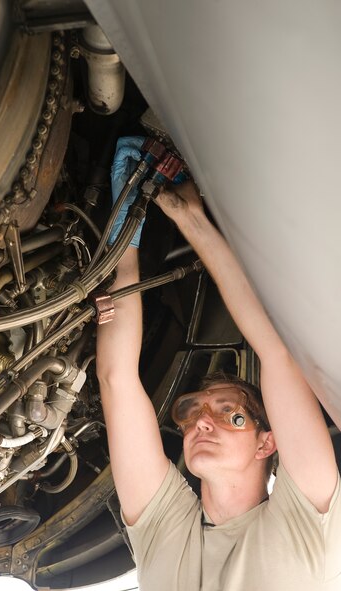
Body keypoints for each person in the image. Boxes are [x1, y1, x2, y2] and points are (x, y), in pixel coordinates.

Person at [96, 138, 341, 590]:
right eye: (197, 415)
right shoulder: (308, 522)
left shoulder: (311, 520)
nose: (199, 424)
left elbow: (114, 379)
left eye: (230, 414)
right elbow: (120, 382)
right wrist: (186, 222)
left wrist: (123, 242)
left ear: (268, 443)